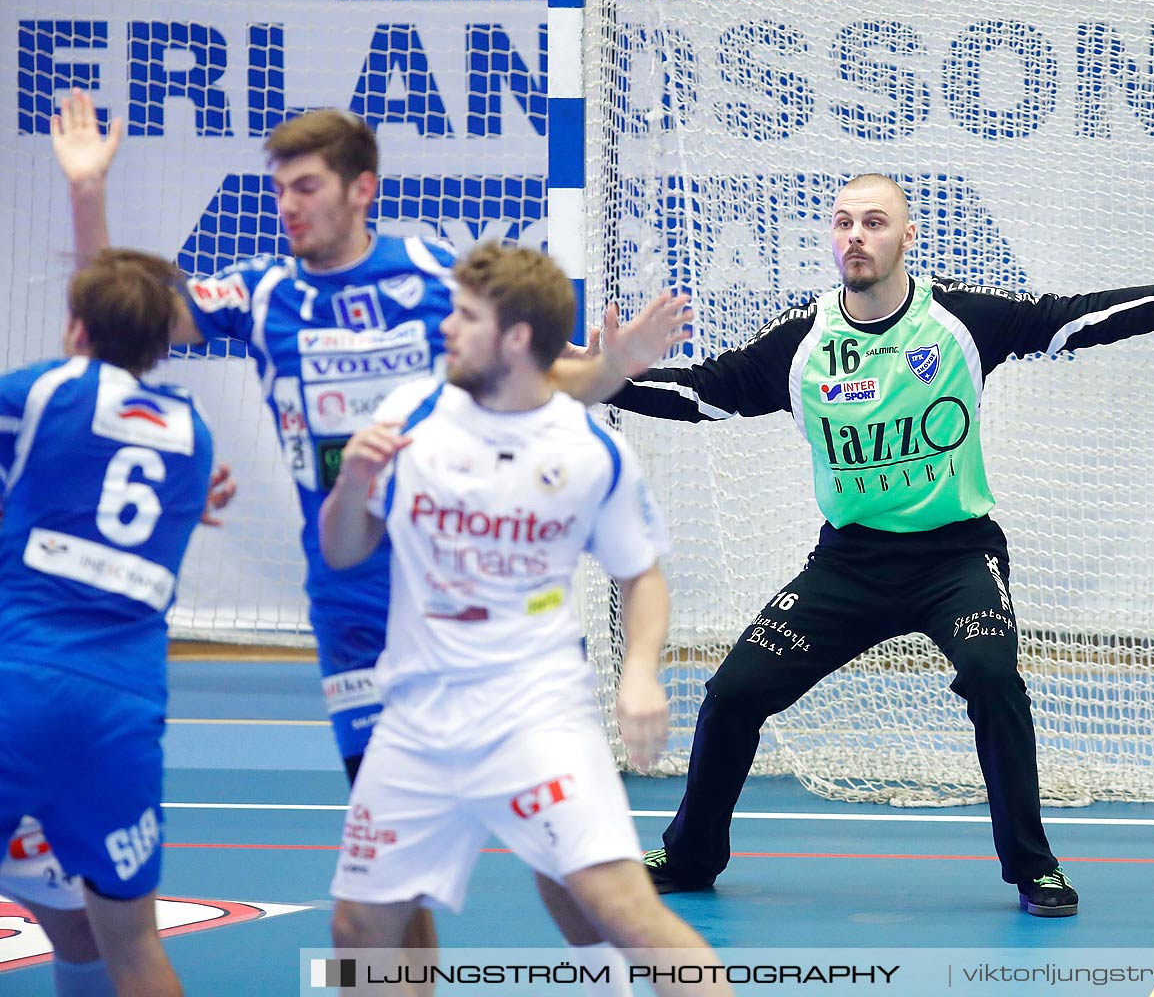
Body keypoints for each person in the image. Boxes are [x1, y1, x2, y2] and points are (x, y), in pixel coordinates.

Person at [561, 172, 1154, 916]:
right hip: (848, 565)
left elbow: (1078, 319)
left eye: (875, 222)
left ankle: (1034, 867)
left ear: (907, 237)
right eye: (844, 222)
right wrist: (611, 378)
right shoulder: (805, 340)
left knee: (992, 677)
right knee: (730, 696)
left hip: (956, 558)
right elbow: (705, 394)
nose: (857, 235)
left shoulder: (956, 320)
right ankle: (692, 855)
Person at [52, 91, 687, 965]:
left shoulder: (429, 277)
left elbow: (546, 375)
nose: (288, 207)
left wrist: (612, 366)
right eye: (278, 191)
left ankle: (610, 982)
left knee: (565, 864)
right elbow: (119, 326)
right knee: (383, 895)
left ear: (363, 191)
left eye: (306, 187)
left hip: (476, 609)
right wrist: (89, 193)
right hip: (355, 616)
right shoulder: (263, 290)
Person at [319, 243, 730, 996]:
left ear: (514, 339)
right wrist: (352, 485)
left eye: (465, 317)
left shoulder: (590, 453)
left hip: (532, 714)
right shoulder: (407, 416)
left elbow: (642, 577)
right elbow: (344, 551)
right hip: (416, 719)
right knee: (358, 933)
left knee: (623, 911)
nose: (445, 329)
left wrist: (640, 674)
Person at [0, 249, 221, 997]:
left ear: (76, 327)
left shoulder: (40, 392)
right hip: (124, 710)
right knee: (129, 942)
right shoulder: (195, 437)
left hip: (20, 679)